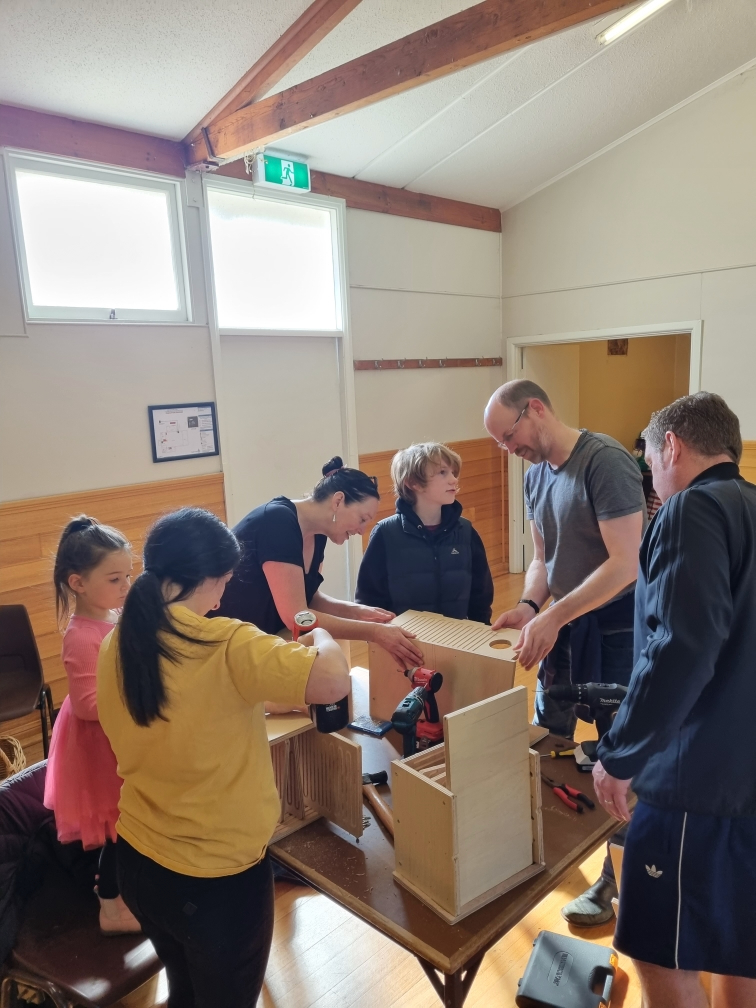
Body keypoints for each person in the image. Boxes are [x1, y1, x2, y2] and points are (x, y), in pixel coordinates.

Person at [97, 507, 350, 1008]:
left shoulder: (119, 640)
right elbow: (333, 681)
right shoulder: (227, 641)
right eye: (226, 582)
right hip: (216, 880)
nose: (222, 597)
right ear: (208, 578)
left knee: (185, 992)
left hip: (139, 860)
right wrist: (321, 635)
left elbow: (205, 700)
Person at [594, 393, 756, 1008]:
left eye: (650, 458)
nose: (651, 477)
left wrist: (623, 752)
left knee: (657, 951)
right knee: (740, 949)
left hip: (695, 781)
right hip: (744, 778)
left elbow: (681, 646)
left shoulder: (691, 509)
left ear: (672, 446)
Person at [483, 379, 646, 926]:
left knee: (615, 760)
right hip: (564, 631)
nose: (511, 451)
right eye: (502, 446)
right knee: (546, 743)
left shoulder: (606, 463)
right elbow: (543, 560)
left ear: (536, 409)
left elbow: (626, 563)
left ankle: (616, 881)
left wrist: (554, 615)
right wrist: (532, 606)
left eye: (510, 436)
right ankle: (542, 852)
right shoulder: (534, 477)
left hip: (617, 636)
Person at [215, 456, 423, 670]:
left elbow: (308, 598)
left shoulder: (318, 534)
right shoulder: (277, 522)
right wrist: (374, 632)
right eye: (362, 519)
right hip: (222, 642)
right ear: (338, 501)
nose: (362, 530)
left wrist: (358, 611)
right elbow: (296, 618)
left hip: (258, 635)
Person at [45, 516, 141, 934]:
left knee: (132, 821)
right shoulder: (80, 636)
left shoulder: (114, 615)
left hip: (119, 735)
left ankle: (128, 895)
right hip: (97, 745)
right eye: (115, 578)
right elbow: (86, 706)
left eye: (128, 576)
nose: (125, 586)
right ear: (78, 583)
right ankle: (110, 906)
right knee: (119, 826)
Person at [355, 442, 494, 623]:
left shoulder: (466, 532)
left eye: (453, 472)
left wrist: (480, 636)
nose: (453, 479)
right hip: (404, 645)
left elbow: (480, 597)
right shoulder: (385, 534)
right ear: (413, 483)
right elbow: (369, 601)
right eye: (443, 472)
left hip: (458, 642)